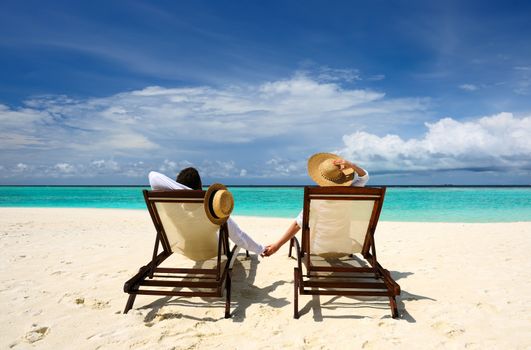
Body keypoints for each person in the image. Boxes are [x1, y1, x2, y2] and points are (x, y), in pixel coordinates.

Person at [262, 153, 369, 257]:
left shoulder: (315, 200)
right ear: (342, 178)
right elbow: (364, 177)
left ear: (320, 178)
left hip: (318, 249)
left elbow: (297, 225)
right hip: (344, 247)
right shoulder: (351, 193)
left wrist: (277, 245)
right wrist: (351, 165)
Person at [148, 168, 265, 255]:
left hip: (186, 250)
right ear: (200, 185)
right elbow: (238, 236)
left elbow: (153, 176)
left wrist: (183, 193)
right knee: (225, 230)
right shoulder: (212, 209)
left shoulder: (174, 209)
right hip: (213, 252)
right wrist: (260, 249)